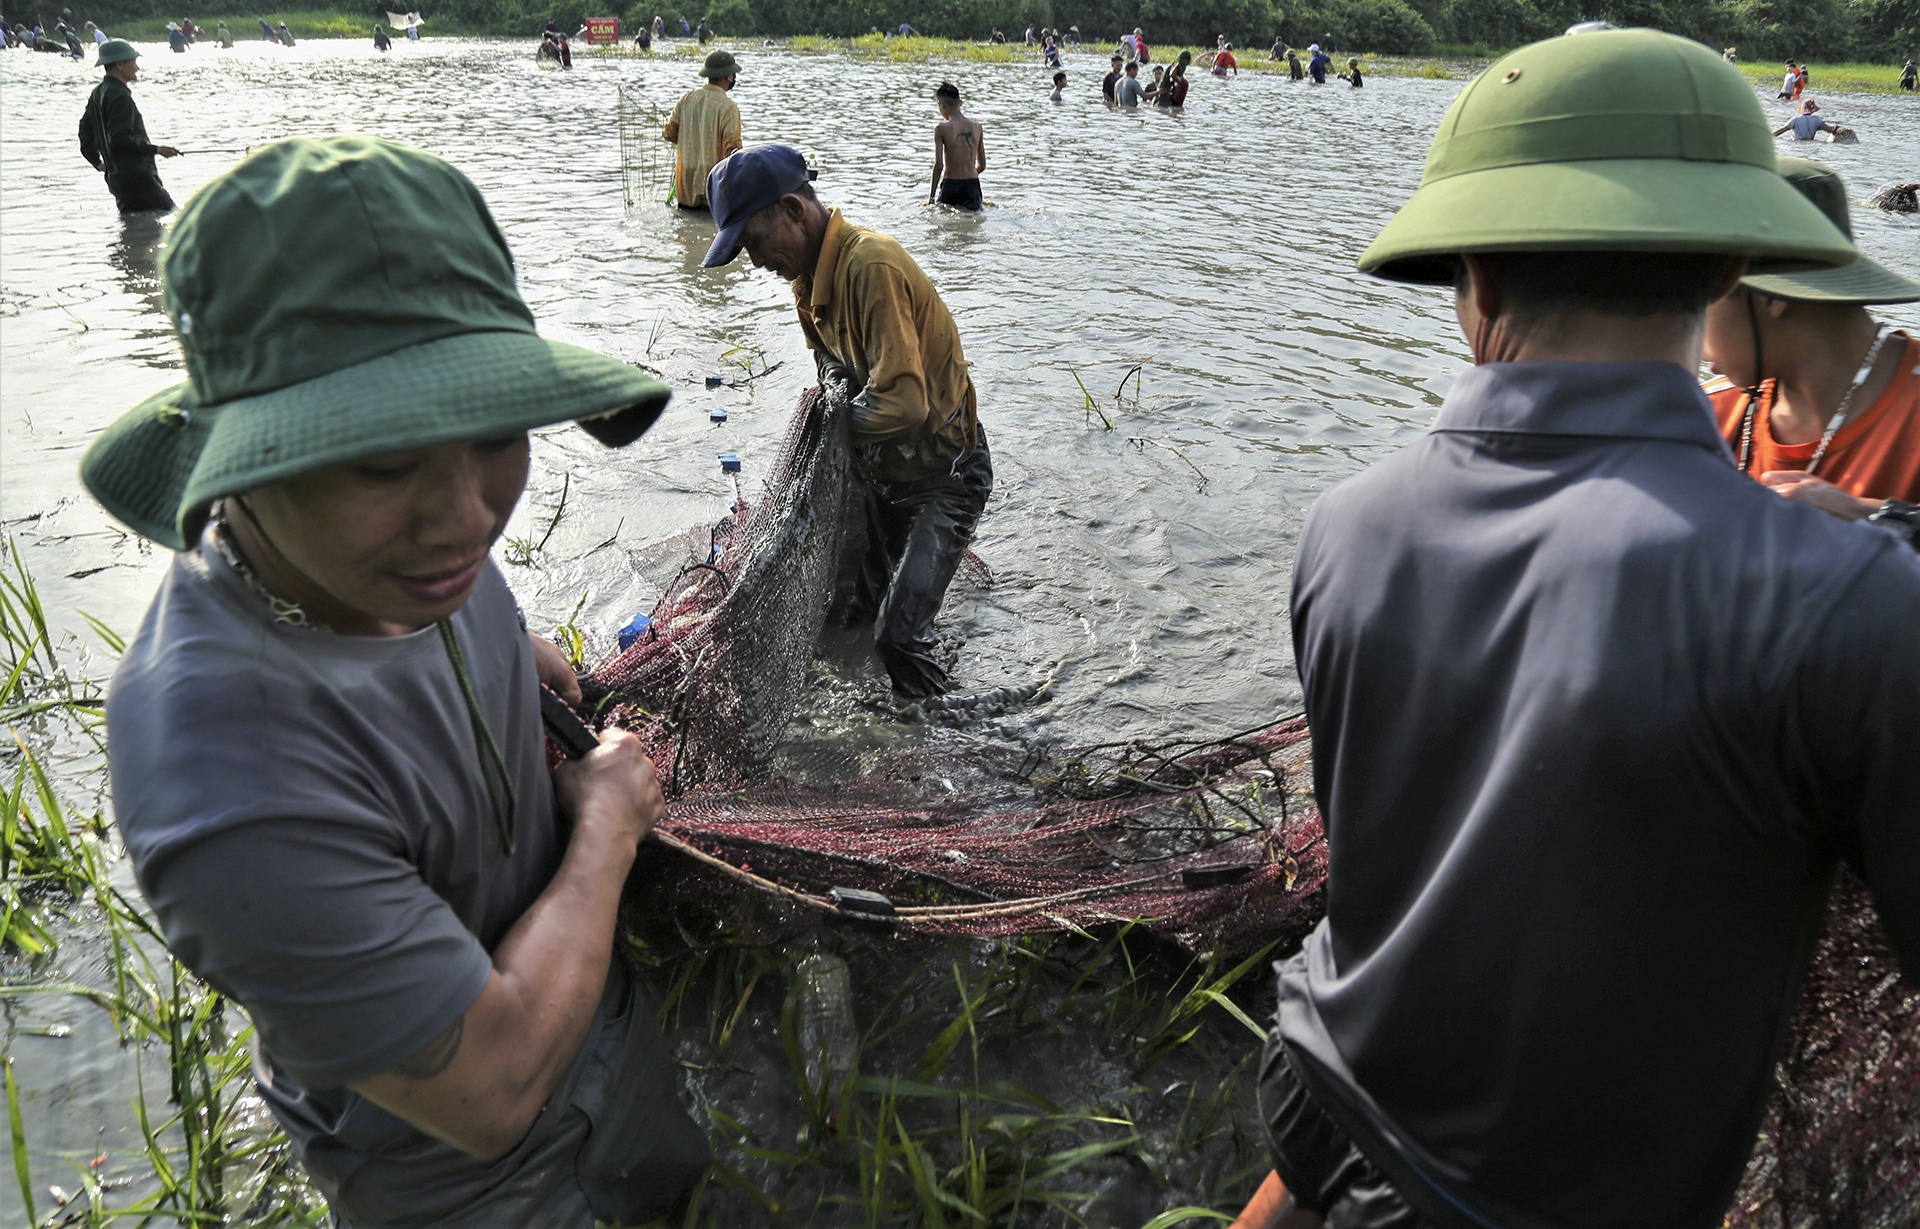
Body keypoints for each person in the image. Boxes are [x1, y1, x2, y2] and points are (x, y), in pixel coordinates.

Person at [1250, 28, 1914, 1229]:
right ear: (1723, 272)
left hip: (1326, 1091)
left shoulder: (1343, 529)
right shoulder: (1841, 599)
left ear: (1479, 288)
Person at [80, 135, 709, 1228]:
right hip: (470, 1183)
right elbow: (493, 1086)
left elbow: (463, 608)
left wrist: (522, 657)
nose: (469, 517)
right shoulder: (229, 782)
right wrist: (606, 826)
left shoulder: (393, 551)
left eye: (496, 430)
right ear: (243, 458)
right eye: (382, 461)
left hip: (612, 1046)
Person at [702, 145, 992, 699]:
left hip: (945, 475)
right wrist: (833, 396)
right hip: (882, 475)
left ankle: (951, 736)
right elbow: (828, 362)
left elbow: (905, 404)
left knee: (897, 637)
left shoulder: (869, 265)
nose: (755, 262)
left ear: (792, 208)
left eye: (753, 243)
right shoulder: (806, 281)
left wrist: (829, 431)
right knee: (845, 614)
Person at [1702, 157, 1920, 540]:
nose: (1691, 327)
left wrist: (1873, 518)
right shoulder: (1705, 415)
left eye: (1700, 296)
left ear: (1771, 296)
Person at [79, 40, 179, 215]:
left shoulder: (98, 93)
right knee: (179, 222)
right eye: (133, 62)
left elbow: (84, 133)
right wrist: (157, 149)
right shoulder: (120, 96)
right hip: (138, 180)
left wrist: (97, 162)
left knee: (134, 231)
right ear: (119, 64)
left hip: (117, 182)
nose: (137, 68)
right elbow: (119, 140)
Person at [662, 50, 742, 209]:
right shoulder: (728, 108)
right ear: (729, 76)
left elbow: (668, 133)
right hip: (712, 187)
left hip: (685, 185)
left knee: (685, 229)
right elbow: (732, 151)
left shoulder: (687, 98)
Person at [929, 81, 985, 211]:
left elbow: (939, 166)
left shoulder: (941, 129)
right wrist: (967, 177)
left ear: (941, 105)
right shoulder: (977, 127)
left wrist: (931, 199)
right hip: (972, 186)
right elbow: (982, 165)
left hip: (951, 186)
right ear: (960, 103)